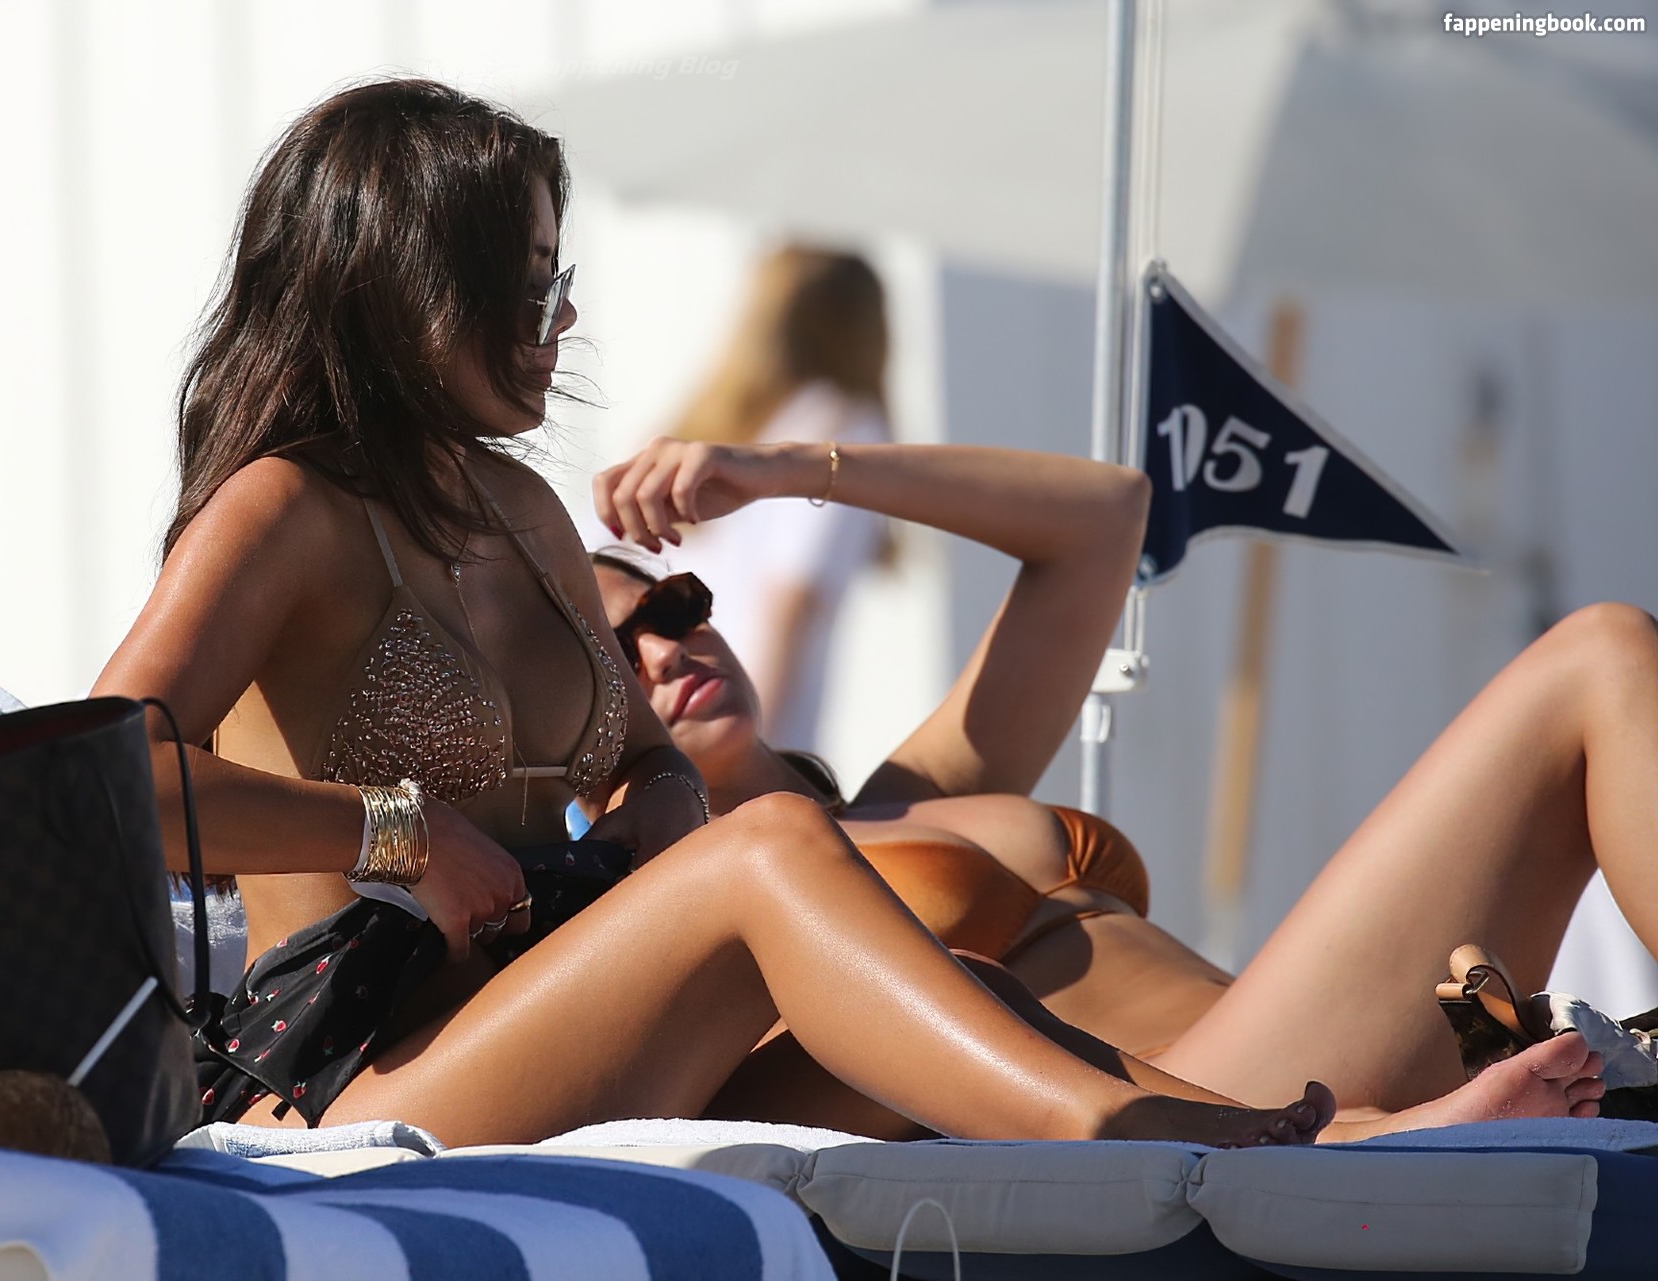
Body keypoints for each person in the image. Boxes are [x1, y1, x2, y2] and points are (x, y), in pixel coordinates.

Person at [89, 77, 1344, 1150]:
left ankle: (1293, 1138)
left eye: (558, 280)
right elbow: (102, 779)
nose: (562, 319)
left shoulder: (522, 511)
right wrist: (397, 830)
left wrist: (666, 798)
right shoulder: (285, 510)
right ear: (414, 290)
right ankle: (1137, 1139)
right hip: (354, 1081)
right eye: (528, 287)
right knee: (775, 847)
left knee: (955, 995)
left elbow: (643, 758)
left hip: (551, 1024)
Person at [591, 433, 1625, 1138]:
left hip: (1308, 1052)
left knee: (1607, 660)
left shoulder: (913, 795)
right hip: (1235, 1110)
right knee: (1596, 658)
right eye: (616, 656)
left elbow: (1103, 520)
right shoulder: (700, 933)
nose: (666, 652)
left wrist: (779, 469)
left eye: (674, 607)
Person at [660, 247, 894, 751]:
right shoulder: (843, 432)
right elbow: (793, 603)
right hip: (745, 722)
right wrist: (759, 750)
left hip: (663, 719)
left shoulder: (711, 427)